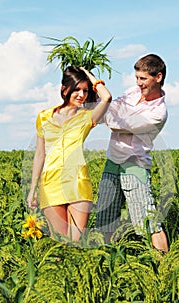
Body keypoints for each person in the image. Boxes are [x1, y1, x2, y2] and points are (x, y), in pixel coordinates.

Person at [27, 66, 112, 242]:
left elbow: (107, 97)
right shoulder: (44, 116)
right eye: (77, 89)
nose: (82, 95)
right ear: (64, 89)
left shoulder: (87, 116)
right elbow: (39, 155)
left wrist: (88, 74)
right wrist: (33, 188)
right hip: (51, 183)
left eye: (85, 91)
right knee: (59, 242)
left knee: (76, 241)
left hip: (78, 182)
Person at [96, 53, 169, 253]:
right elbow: (109, 110)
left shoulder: (158, 113)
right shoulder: (132, 92)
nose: (139, 83)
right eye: (137, 78)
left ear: (158, 77)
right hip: (113, 160)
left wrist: (106, 102)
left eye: (143, 79)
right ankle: (106, 263)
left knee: (148, 223)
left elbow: (114, 123)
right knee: (104, 219)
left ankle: (165, 267)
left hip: (133, 166)